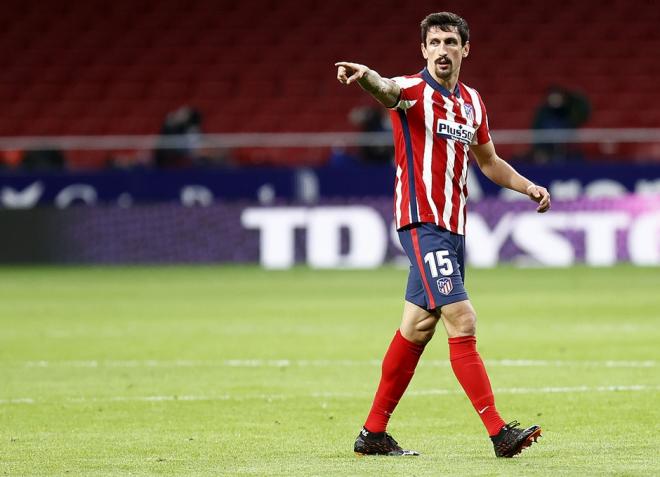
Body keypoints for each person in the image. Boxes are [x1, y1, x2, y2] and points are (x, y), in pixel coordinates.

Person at [335, 12, 551, 458]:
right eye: (433, 42)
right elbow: (386, 89)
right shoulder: (412, 92)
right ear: (423, 50)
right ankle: (498, 432)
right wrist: (366, 78)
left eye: (451, 42)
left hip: (454, 230)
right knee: (463, 318)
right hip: (421, 223)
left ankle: (373, 434)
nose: (442, 50)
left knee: (417, 327)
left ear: (465, 49)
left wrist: (527, 186)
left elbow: (489, 162)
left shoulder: (473, 102)